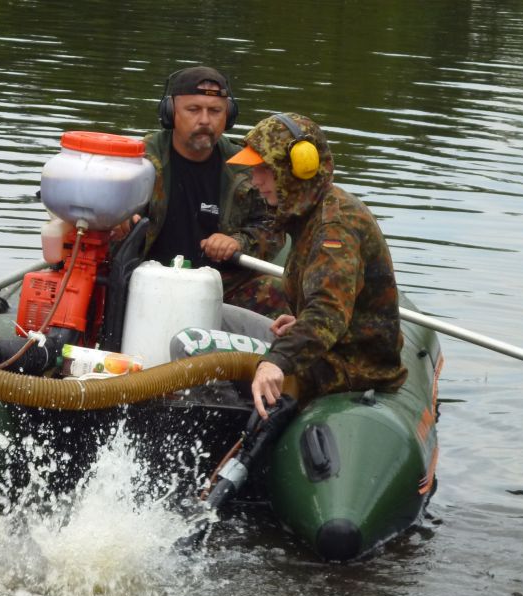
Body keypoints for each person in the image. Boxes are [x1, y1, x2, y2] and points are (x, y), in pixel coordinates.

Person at [226, 113, 408, 418]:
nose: (255, 181)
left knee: (191, 347)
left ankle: (225, 422)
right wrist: (300, 324)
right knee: (218, 316)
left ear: (297, 169)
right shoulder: (310, 213)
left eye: (264, 170)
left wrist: (277, 362)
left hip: (348, 367)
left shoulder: (334, 229)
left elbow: (328, 312)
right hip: (331, 351)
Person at [119, 65, 288, 316]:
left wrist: (236, 242)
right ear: (170, 113)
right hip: (140, 277)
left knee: (280, 291)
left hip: (218, 285)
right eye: (193, 110)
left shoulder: (246, 168)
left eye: (215, 111)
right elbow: (102, 207)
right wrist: (120, 220)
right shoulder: (140, 159)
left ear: (228, 116)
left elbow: (273, 227)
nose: (205, 120)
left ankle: (265, 356)